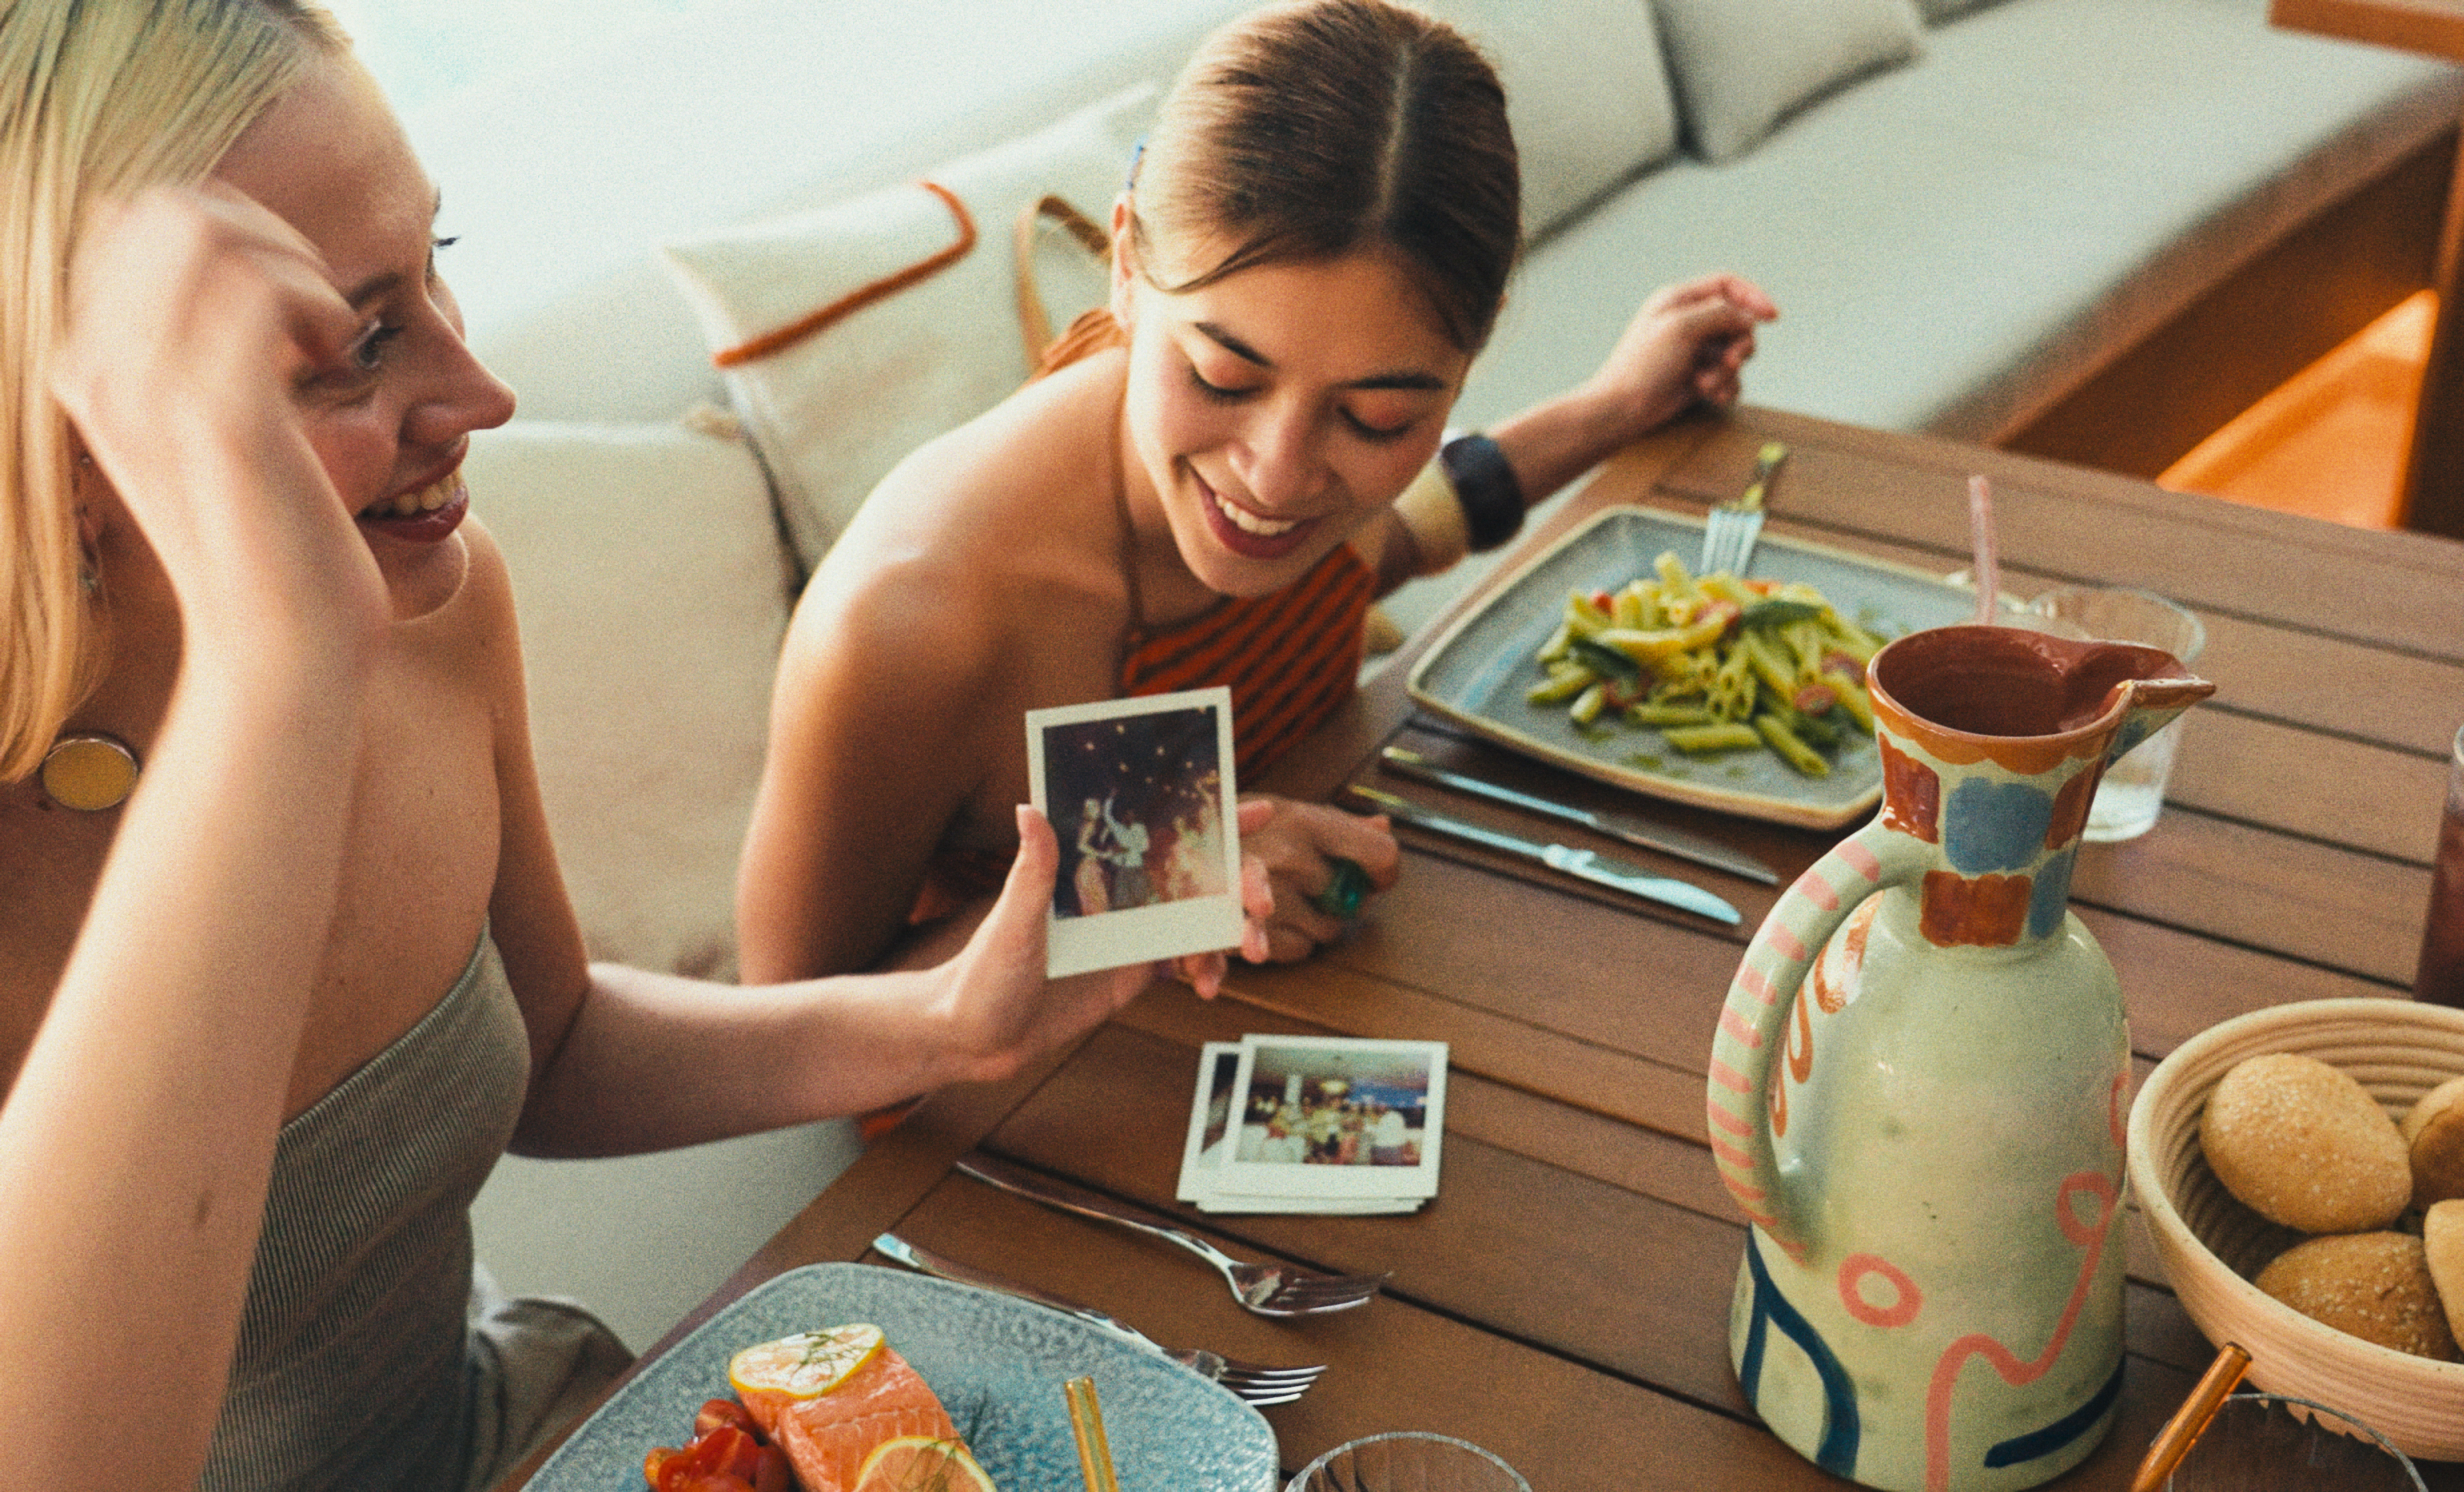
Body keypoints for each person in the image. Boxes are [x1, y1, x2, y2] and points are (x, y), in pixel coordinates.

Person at [0, 4, 1186, 1487]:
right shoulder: (299, 660)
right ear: (70, 433)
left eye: (439, 265)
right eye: (355, 346)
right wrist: (278, 666)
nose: (480, 395)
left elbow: (549, 1043)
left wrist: (946, 1019)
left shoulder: (437, 605)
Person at [737, 0, 1777, 987]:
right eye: (1224, 378)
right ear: (1127, 270)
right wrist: (1163, 880)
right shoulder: (917, 616)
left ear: (1474, 349)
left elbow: (1365, 555)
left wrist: (1604, 412)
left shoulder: (1310, 492)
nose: (1277, 478)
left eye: (1377, 418)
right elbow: (786, 1032)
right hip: (1024, 1108)